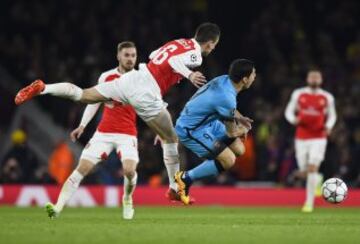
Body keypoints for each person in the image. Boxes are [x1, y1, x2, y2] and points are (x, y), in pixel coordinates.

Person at [15, 23, 248, 202]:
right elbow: (177, 62)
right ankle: (175, 189)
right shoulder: (195, 54)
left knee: (83, 94)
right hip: (147, 92)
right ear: (210, 43)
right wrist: (188, 74)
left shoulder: (179, 41)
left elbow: (156, 54)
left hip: (135, 78)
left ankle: (44, 88)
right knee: (171, 138)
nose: (212, 49)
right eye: (213, 46)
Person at [45, 41, 140, 220]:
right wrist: (82, 125)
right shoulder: (106, 77)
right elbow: (94, 101)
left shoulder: (140, 78)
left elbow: (151, 107)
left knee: (129, 171)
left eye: (133, 56)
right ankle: (57, 208)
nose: (130, 59)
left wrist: (160, 131)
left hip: (127, 134)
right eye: (126, 55)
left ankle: (127, 199)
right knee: (82, 168)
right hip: (104, 132)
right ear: (118, 56)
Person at [174, 59, 256, 204]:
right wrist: (242, 129)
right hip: (191, 129)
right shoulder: (227, 98)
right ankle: (185, 178)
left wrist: (240, 118)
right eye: (253, 74)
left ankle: (214, 152)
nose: (255, 77)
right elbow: (231, 133)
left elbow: (222, 106)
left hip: (208, 122)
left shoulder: (224, 79)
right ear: (244, 79)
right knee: (229, 160)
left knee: (239, 149)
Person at [284, 68, 337, 213]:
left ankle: (309, 203)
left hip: (319, 137)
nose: (314, 79)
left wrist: (328, 126)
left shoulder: (327, 97)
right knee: (303, 170)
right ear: (307, 79)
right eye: (312, 77)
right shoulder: (299, 94)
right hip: (301, 136)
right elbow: (288, 111)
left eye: (317, 77)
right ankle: (317, 178)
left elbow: (332, 115)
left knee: (313, 167)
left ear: (321, 80)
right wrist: (293, 120)